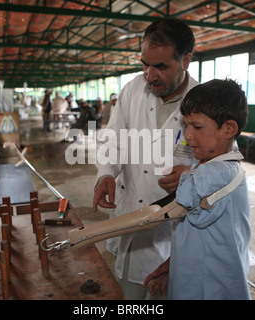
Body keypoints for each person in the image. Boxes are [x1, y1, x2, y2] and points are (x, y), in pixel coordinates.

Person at [92, 18, 199, 299]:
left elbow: (223, 166)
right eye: (144, 64)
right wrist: (105, 173)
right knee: (129, 294)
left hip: (172, 234)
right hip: (129, 218)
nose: (150, 75)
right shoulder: (132, 90)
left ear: (185, 60)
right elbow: (112, 139)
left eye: (161, 66)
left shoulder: (204, 102)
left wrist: (192, 175)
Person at [143, 79, 251, 300]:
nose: (188, 136)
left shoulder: (216, 174)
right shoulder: (208, 166)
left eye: (197, 127)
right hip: (197, 275)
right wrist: (174, 263)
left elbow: (166, 209)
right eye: (186, 126)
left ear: (229, 129)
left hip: (210, 287)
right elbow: (197, 235)